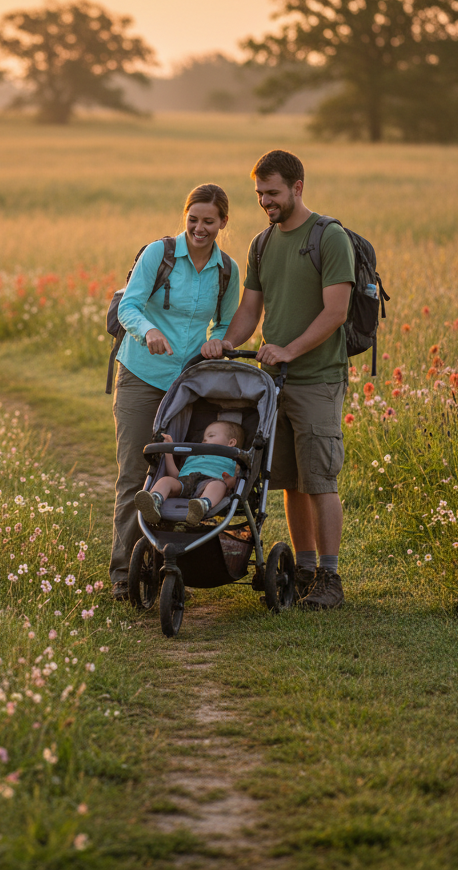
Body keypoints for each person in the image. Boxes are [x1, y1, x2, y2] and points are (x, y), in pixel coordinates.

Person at [201, 150, 354, 610]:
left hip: (317, 378)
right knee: (287, 479)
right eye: (259, 194)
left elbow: (336, 311)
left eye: (273, 193)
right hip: (273, 383)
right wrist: (224, 342)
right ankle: (304, 569)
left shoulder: (329, 238)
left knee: (320, 479)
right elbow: (251, 310)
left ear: (297, 187)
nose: (265, 201)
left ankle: (330, 578)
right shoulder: (263, 243)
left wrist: (289, 349)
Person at [110, 183, 240, 599]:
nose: (199, 228)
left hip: (187, 387)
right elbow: (129, 305)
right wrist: (147, 331)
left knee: (179, 474)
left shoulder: (227, 270)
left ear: (222, 222)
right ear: (185, 217)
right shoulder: (159, 254)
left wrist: (215, 342)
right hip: (141, 375)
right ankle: (122, 573)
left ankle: (167, 567)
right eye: (193, 219)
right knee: (137, 473)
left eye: (209, 221)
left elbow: (224, 322)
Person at [134, 418, 241, 527]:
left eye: (211, 436)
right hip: (185, 483)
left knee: (218, 485)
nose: (204, 440)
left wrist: (230, 480)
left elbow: (237, 479)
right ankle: (154, 501)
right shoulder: (193, 456)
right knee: (166, 480)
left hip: (210, 483)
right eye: (203, 438)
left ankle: (201, 505)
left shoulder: (233, 460)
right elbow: (176, 476)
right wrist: (168, 452)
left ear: (231, 442)